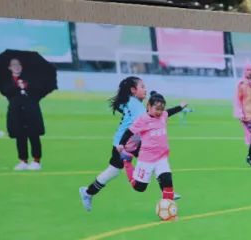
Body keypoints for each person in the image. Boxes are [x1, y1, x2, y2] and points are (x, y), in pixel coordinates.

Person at [79, 76, 147, 210]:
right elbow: (148, 119)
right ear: (133, 90)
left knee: (151, 160)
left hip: (129, 142)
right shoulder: (135, 104)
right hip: (123, 145)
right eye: (143, 87)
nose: (146, 89)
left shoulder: (132, 102)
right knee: (114, 171)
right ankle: (87, 192)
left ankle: (167, 192)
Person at [119, 92, 187, 209]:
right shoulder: (143, 119)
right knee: (139, 187)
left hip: (162, 157)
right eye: (157, 109)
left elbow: (170, 112)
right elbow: (129, 132)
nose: (159, 112)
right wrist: (121, 144)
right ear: (149, 106)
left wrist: (181, 106)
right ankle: (127, 163)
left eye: (161, 109)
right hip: (147, 159)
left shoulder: (163, 116)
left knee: (167, 181)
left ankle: (169, 211)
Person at [1, 57, 46, 170]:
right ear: (9, 68)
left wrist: (27, 86)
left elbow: (39, 91)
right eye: (14, 65)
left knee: (34, 136)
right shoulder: (7, 80)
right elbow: (6, 92)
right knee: (20, 136)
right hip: (16, 111)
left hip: (31, 111)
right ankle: (23, 160)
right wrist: (17, 86)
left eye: (19, 65)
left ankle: (36, 161)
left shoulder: (31, 79)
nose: (16, 67)